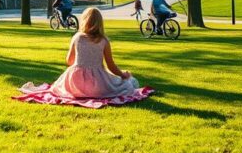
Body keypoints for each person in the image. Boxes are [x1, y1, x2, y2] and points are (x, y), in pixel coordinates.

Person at [15, 8, 148, 104]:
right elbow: (111, 66)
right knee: (129, 83)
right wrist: (122, 74)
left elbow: (69, 61)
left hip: (74, 85)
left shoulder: (77, 37)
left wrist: (80, 63)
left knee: (59, 86)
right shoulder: (103, 41)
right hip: (97, 85)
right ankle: (125, 80)